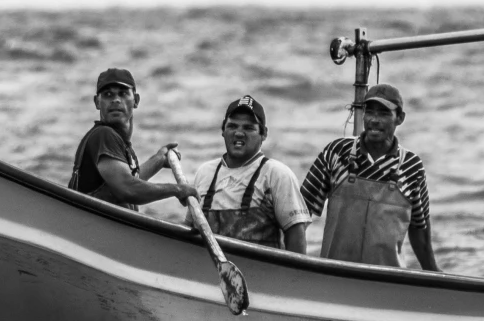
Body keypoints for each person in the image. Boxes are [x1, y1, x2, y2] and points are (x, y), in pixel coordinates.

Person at [301, 83, 438, 270]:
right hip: (333, 274)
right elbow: (301, 210)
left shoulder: (411, 167)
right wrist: (292, 260)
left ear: (400, 118)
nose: (374, 120)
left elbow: (419, 229)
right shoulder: (337, 152)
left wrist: (434, 273)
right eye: (370, 112)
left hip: (386, 281)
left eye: (384, 113)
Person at [184, 95, 311, 251]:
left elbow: (296, 237)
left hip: (262, 273)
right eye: (232, 126)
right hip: (204, 271)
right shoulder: (204, 173)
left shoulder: (276, 174)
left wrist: (293, 276)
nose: (238, 133)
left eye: (248, 128)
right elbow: (188, 230)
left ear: (264, 134)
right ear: (222, 130)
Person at [68, 67, 194, 209]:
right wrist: (177, 190)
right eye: (108, 95)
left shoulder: (121, 145)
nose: (115, 100)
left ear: (136, 100)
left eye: (122, 94)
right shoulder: (103, 136)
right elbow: (128, 189)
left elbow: (132, 181)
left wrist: (158, 160)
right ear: (97, 102)